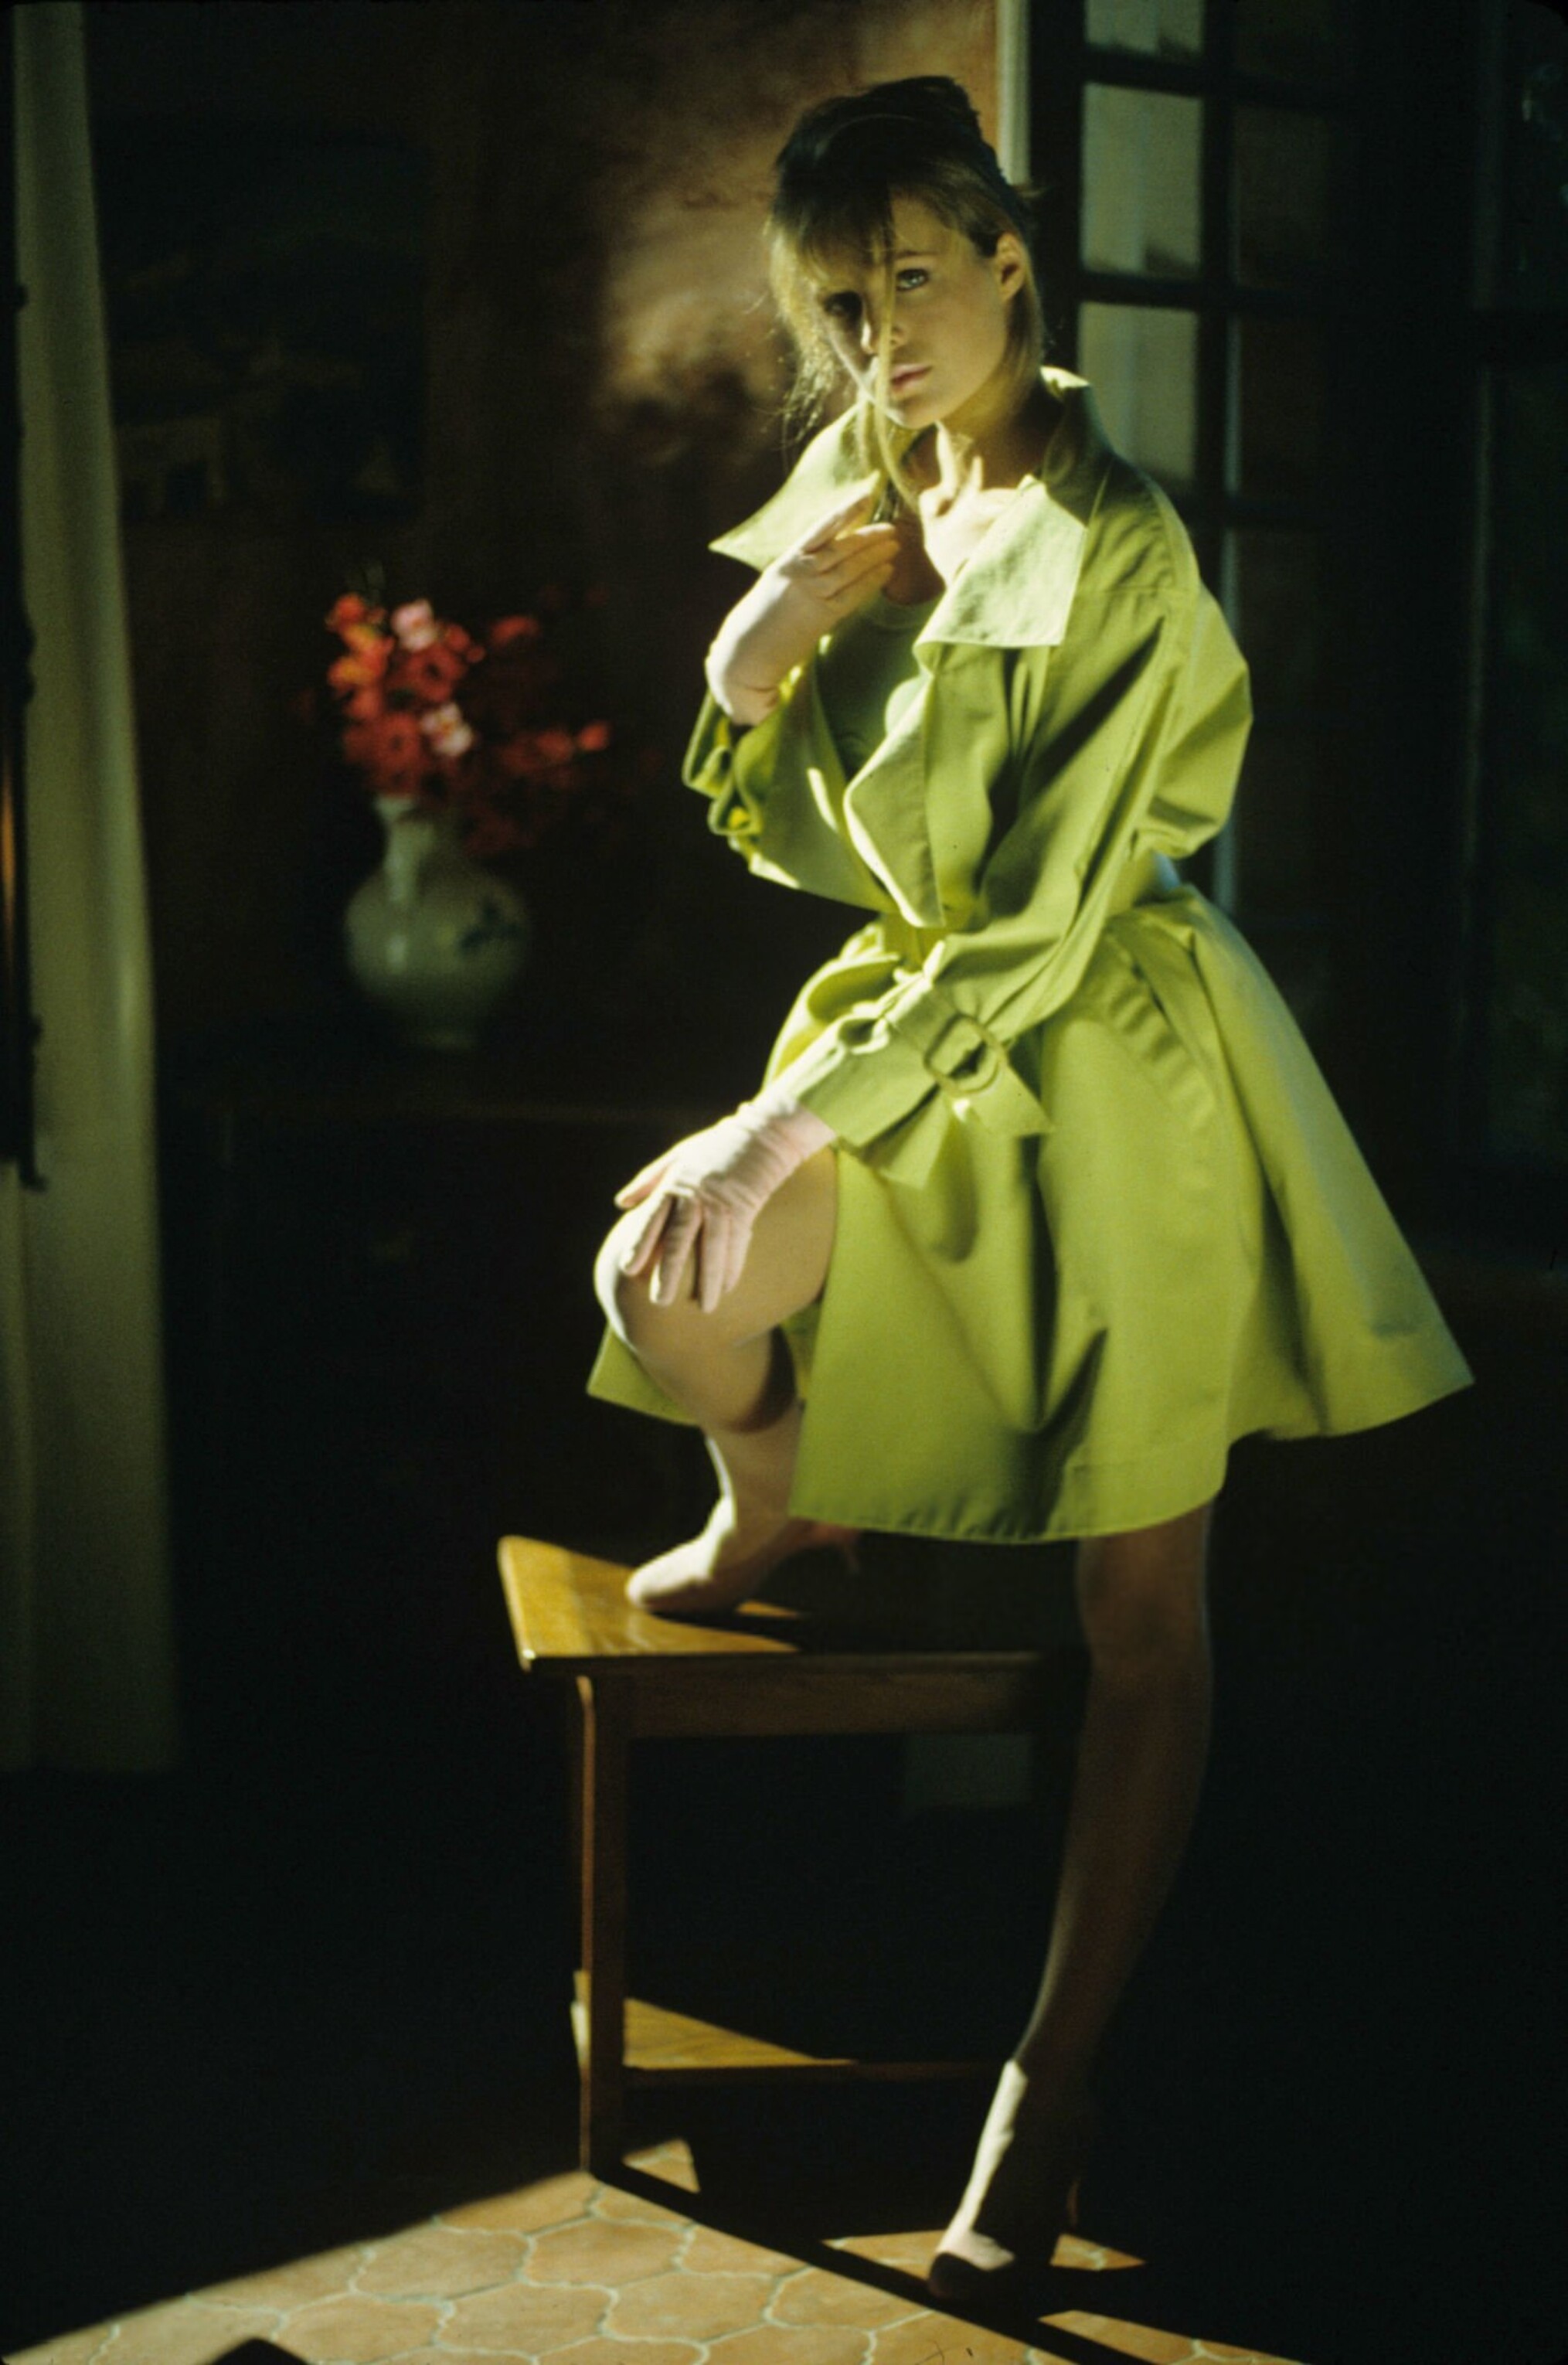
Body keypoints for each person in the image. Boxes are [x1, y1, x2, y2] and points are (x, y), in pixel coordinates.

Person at [586, 77, 1473, 2307]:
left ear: (1006, 263)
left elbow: (1048, 915)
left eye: (914, 278)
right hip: (913, 1037)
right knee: (663, 1276)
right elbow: (799, 819)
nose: (879, 333)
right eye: (836, 300)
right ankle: (777, 1502)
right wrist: (746, 659)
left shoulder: (1122, 541)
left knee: (1141, 1617)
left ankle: (1045, 2086)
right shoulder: (868, 490)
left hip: (1110, 1058)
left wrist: (789, 1121)